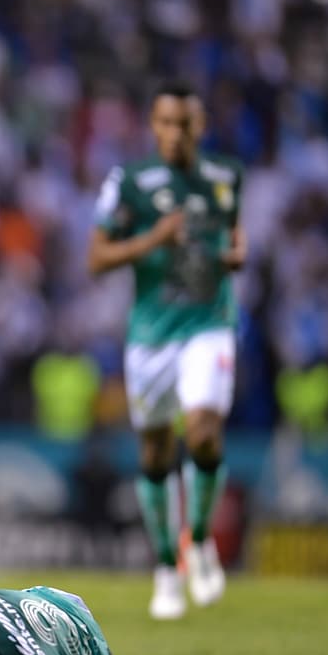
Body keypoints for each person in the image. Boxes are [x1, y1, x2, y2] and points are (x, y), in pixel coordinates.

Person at [86, 80, 245, 619]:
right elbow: (97, 257)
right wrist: (155, 239)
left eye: (187, 124)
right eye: (167, 123)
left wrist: (236, 253)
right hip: (151, 334)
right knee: (155, 453)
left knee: (201, 432)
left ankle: (197, 539)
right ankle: (165, 565)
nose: (177, 133)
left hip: (209, 323)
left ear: (201, 126)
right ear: (153, 126)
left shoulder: (226, 177)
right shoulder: (129, 181)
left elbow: (235, 235)